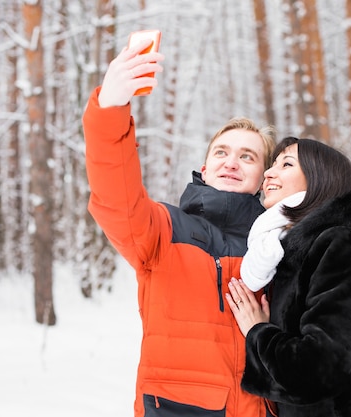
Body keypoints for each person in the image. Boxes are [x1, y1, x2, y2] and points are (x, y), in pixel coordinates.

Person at [82, 38, 278, 417]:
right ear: (204, 169)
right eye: (221, 152)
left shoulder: (278, 244)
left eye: (247, 156)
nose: (231, 162)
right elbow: (115, 197)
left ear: (263, 177)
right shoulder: (163, 230)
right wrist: (110, 108)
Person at [226, 136, 351, 417]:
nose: (268, 172)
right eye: (272, 164)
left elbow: (319, 371)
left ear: (318, 180)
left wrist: (258, 332)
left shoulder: (338, 243)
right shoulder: (286, 253)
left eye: (286, 164)